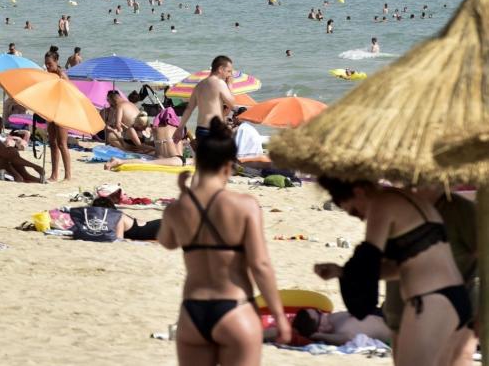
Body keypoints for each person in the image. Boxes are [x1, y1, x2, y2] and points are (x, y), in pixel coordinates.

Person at [158, 117, 290, 360]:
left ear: (199, 162)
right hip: (234, 309)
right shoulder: (245, 206)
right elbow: (260, 265)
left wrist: (184, 195)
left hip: (192, 313)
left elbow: (167, 242)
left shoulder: (178, 208)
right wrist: (279, 316)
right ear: (229, 166)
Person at [314, 179, 474, 364]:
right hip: (452, 298)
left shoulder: (382, 203)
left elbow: (367, 260)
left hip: (431, 301)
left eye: (355, 211)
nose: (360, 218)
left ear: (359, 192)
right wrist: (341, 272)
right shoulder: (408, 201)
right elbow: (400, 268)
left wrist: (350, 276)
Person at [178, 55, 238, 141]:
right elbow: (231, 105)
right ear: (220, 69)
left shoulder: (199, 85)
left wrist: (180, 129)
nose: (230, 75)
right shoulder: (220, 83)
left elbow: (189, 109)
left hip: (200, 130)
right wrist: (230, 85)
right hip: (214, 130)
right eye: (229, 71)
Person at [287, 308, 392, 346]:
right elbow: (347, 338)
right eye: (318, 313)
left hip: (379, 312)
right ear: (320, 329)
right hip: (393, 325)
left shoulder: (330, 320)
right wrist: (318, 335)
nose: (322, 313)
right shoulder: (341, 332)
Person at [43, 53, 72, 182]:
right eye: (46, 64)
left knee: (62, 143)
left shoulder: (62, 76)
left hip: (63, 111)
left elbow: (70, 95)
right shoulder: (48, 76)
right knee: (52, 143)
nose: (48, 66)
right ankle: (54, 175)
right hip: (51, 111)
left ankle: (68, 175)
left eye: (50, 64)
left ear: (56, 61)